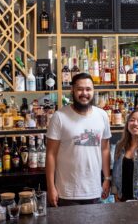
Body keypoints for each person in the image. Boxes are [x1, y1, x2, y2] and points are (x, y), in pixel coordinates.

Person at [46, 73, 112, 207]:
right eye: (80, 89)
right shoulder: (59, 117)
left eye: (88, 89)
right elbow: (50, 154)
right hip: (67, 192)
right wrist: (51, 187)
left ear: (93, 91)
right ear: (72, 91)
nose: (84, 93)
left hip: (94, 191)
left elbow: (104, 149)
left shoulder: (102, 115)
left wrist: (107, 178)